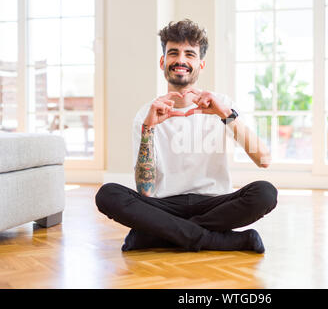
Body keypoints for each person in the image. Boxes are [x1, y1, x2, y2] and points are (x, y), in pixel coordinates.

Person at [95, 19, 278, 253]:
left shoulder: (223, 106)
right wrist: (148, 129)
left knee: (265, 193)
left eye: (189, 54)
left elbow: (264, 160)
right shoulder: (146, 115)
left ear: (201, 64)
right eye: (173, 53)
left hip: (214, 204)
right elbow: (146, 191)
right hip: (163, 205)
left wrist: (226, 115)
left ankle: (157, 236)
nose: (181, 60)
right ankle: (222, 241)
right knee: (108, 194)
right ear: (163, 62)